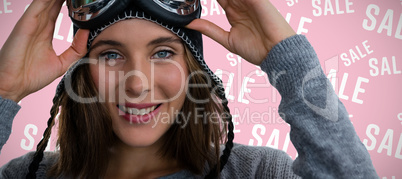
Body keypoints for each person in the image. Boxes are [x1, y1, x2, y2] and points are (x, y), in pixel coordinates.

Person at [0, 0, 378, 178]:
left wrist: (289, 61)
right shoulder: (27, 176)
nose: (136, 83)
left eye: (163, 52)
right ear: (82, 73)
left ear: (193, 69)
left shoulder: (257, 173)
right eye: (111, 54)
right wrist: (4, 90)